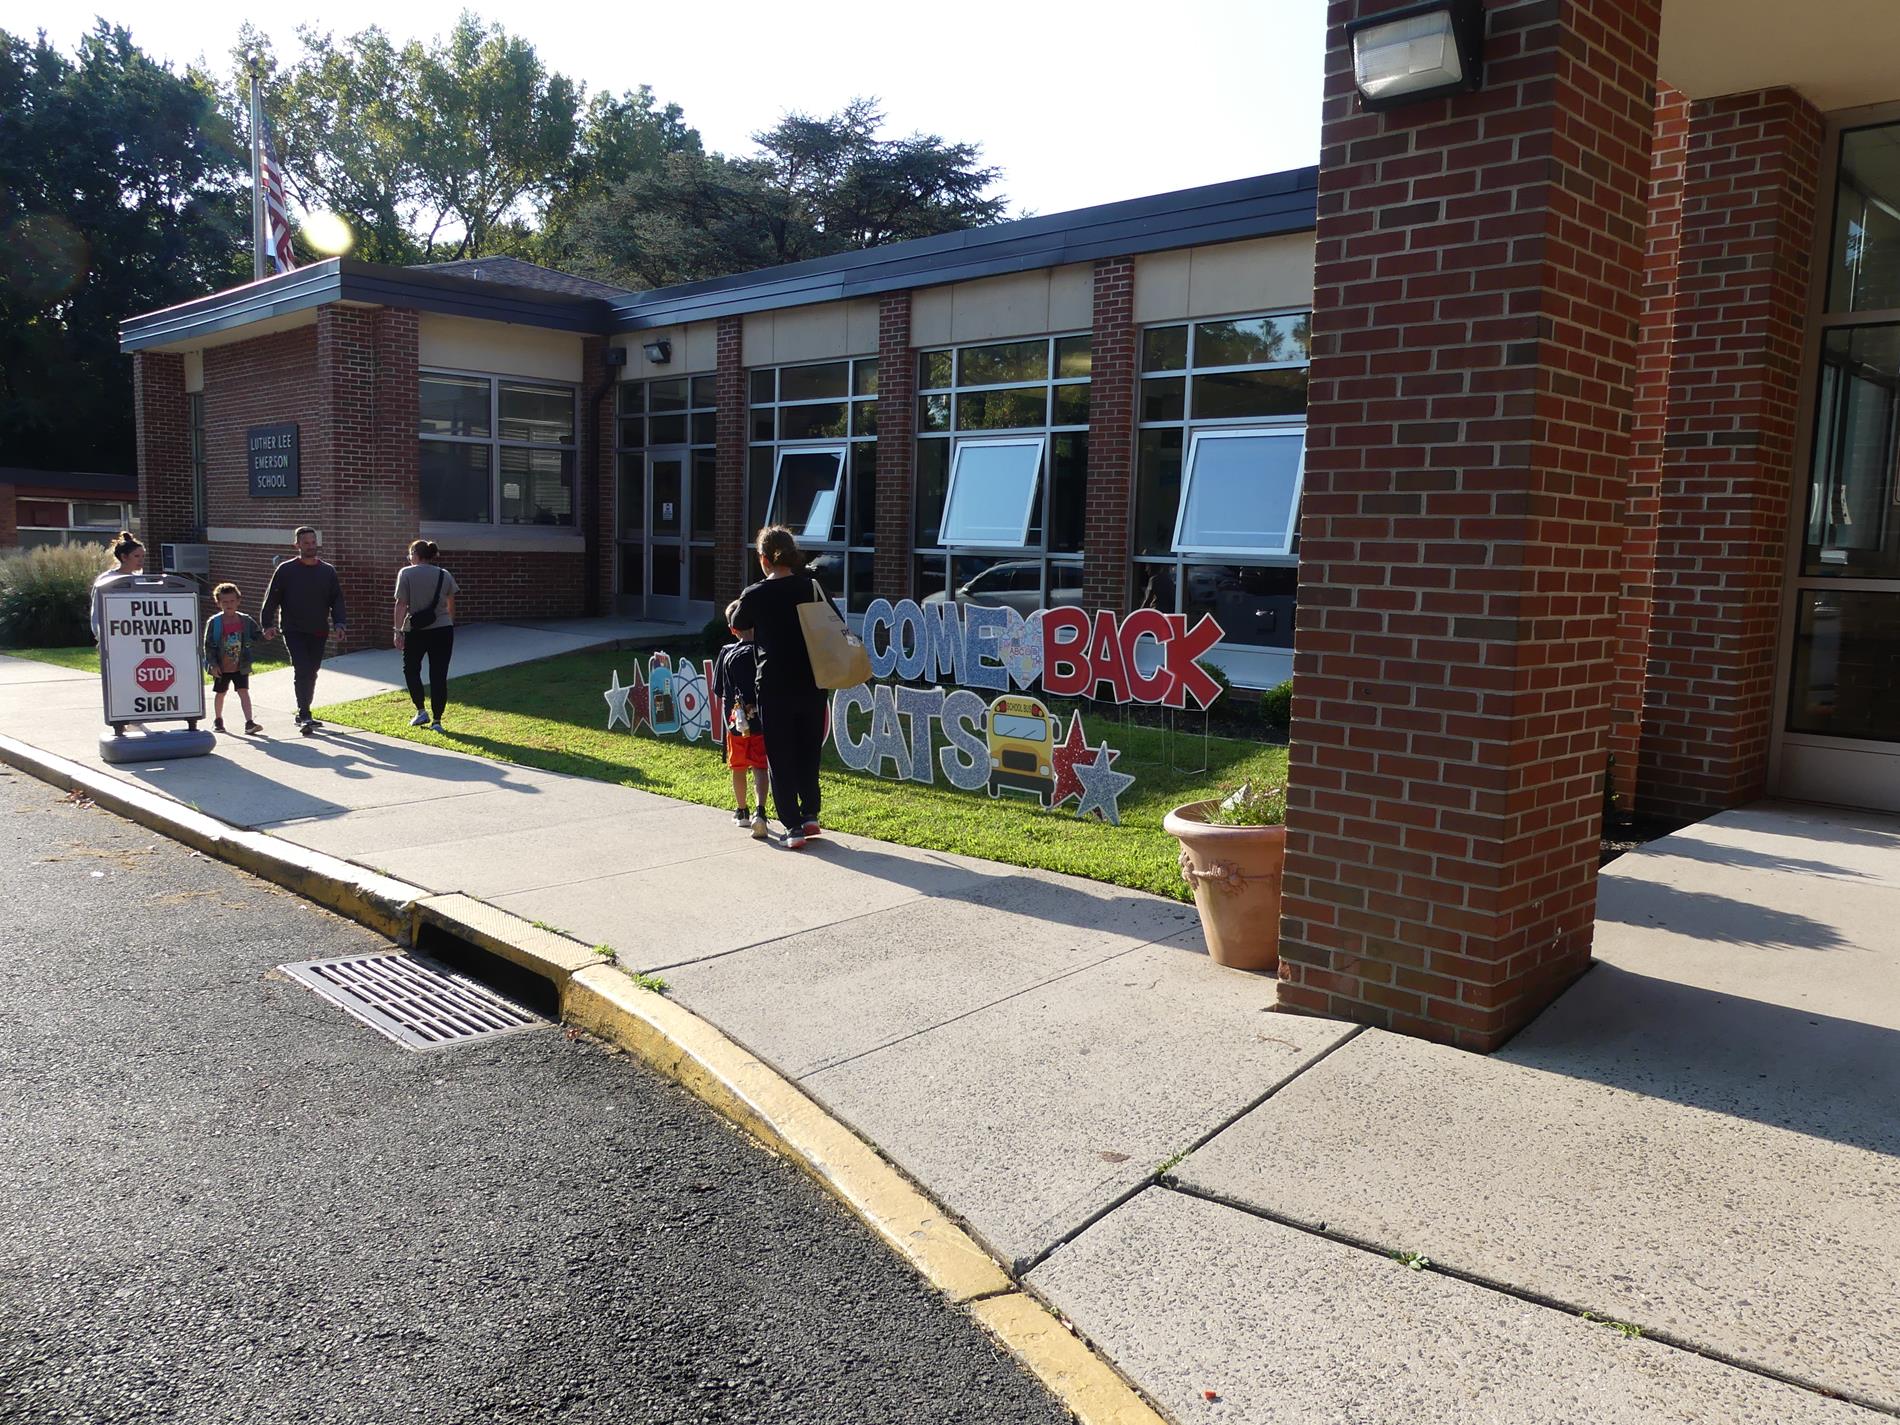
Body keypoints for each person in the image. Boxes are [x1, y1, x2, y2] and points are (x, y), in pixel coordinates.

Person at [732, 525, 832, 850]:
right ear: (792, 554)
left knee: (780, 755)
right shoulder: (812, 587)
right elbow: (834, 621)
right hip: (813, 682)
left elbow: (738, 625)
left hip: (774, 685)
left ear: (763, 558)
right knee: (808, 751)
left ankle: (793, 826)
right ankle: (811, 813)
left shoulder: (755, 594)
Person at [260, 526, 346, 731]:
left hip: (318, 628)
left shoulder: (327, 571)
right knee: (302, 668)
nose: (310, 546)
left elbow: (337, 600)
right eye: (306, 543)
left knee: (313, 670)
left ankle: (304, 710)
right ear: (297, 545)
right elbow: (272, 598)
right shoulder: (286, 570)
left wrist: (340, 623)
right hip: (293, 628)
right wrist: (267, 624)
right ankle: (304, 713)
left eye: (313, 542)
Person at [710, 599, 769, 841]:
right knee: (760, 766)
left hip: (736, 723)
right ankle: (761, 812)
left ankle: (742, 810)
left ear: (732, 629)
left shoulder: (727, 653)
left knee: (738, 768)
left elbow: (719, 690)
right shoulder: (764, 652)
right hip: (762, 722)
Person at [392, 539, 458, 733]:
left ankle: (421, 711)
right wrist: (449, 622)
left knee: (411, 670)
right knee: (439, 674)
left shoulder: (406, 573)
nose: (409, 558)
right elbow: (450, 603)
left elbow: (401, 604)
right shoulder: (444, 574)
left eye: (410, 554)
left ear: (415, 554)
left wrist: (397, 631)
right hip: (443, 630)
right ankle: (437, 720)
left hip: (416, 630)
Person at [201, 582, 270, 735]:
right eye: (224, 602)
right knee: (221, 693)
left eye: (232, 601)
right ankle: (218, 720)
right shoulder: (214, 622)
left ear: (238, 601)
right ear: (218, 603)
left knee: (243, 691)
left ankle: (249, 722)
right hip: (221, 666)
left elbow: (257, 636)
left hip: (241, 664)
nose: (229, 604)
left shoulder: (245, 620)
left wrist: (267, 636)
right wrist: (213, 664)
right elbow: (208, 645)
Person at [89, 531, 145, 642]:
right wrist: (101, 636)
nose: (141, 560)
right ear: (124, 557)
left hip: (138, 638)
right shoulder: (106, 580)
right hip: (114, 638)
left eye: (143, 556)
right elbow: (97, 612)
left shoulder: (141, 580)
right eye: (137, 556)